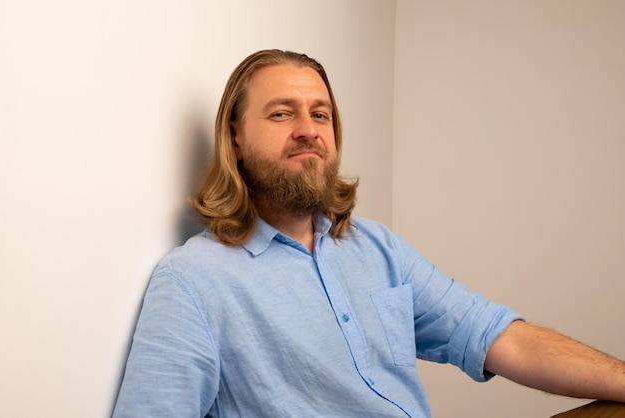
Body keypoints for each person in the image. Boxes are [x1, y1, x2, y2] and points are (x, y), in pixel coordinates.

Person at [113, 49, 625, 417]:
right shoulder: (193, 281)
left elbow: (493, 335)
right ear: (236, 139)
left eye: (320, 114)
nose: (308, 129)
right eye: (281, 113)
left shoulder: (376, 247)